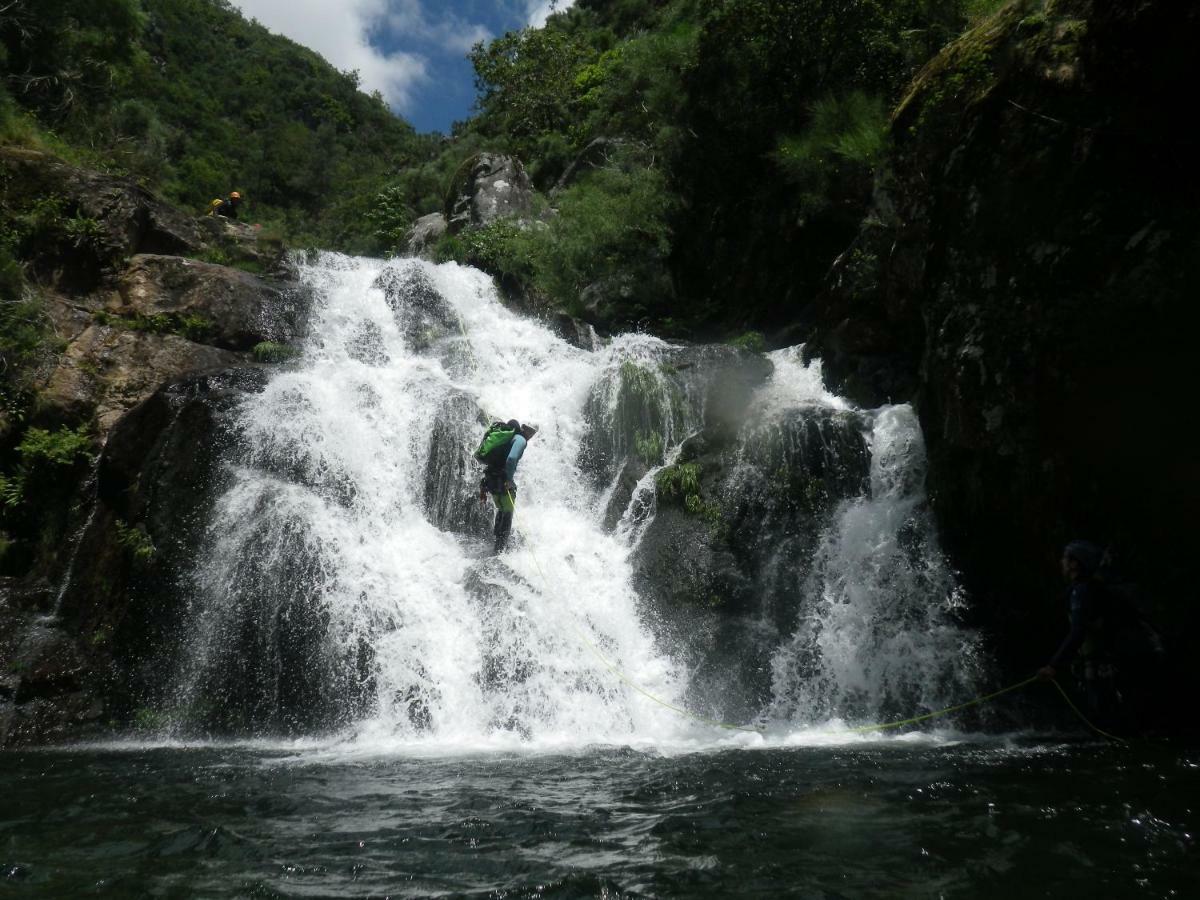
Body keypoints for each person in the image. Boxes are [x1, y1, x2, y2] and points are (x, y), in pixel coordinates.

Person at [1038, 540, 1164, 731]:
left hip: (1110, 663)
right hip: (1126, 659)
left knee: (1106, 717)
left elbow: (1078, 631)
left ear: (1075, 563)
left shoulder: (1082, 591)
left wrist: (1053, 666)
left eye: (1065, 558)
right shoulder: (1093, 588)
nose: (1061, 562)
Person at [477, 420, 537, 553]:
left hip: (490, 480)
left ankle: (496, 546)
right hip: (503, 481)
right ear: (530, 431)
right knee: (508, 514)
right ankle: (500, 550)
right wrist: (509, 479)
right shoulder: (521, 440)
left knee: (501, 510)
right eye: (533, 433)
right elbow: (511, 459)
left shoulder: (508, 438)